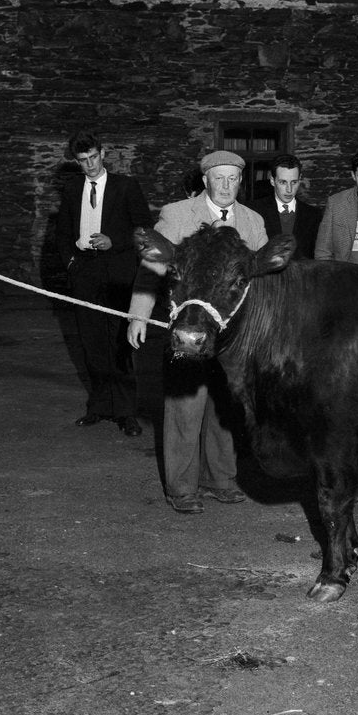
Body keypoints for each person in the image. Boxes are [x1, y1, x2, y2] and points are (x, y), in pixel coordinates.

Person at [126, 150, 267, 515]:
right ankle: (182, 487)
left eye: (232, 179)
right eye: (218, 178)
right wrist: (138, 316)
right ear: (205, 180)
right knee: (185, 407)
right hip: (187, 330)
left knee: (224, 407)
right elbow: (150, 268)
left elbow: (264, 283)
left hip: (231, 337)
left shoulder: (252, 222)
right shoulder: (177, 214)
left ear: (241, 181)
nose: (225, 186)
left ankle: (220, 477)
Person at [55, 130, 152, 437]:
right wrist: (71, 263)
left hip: (119, 271)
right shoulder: (71, 190)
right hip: (85, 273)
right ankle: (98, 406)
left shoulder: (126, 186)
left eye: (94, 157)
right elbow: (61, 234)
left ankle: (126, 412)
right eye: (82, 161)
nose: (90, 165)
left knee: (121, 343)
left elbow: (144, 229)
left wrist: (115, 241)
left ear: (103, 153)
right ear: (76, 162)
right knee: (92, 342)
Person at [249, 153, 322, 259]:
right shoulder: (254, 211)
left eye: (294, 182)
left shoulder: (314, 215)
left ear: (300, 179)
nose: (289, 189)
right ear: (272, 181)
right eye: (283, 182)